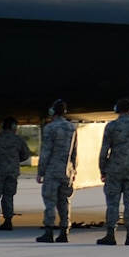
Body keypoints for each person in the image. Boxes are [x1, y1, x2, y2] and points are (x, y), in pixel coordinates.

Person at [96, 97, 129, 245]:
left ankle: (110, 235)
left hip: (114, 169)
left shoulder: (111, 126)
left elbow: (104, 150)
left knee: (112, 203)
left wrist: (102, 169)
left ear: (116, 109)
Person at [35, 99, 78, 244]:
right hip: (67, 171)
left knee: (50, 201)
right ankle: (64, 232)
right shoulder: (72, 128)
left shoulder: (50, 128)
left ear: (52, 111)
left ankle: (48, 231)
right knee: (65, 202)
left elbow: (46, 151)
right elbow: (75, 152)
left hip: (52, 170)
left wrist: (40, 171)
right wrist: (74, 169)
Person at [0, 116, 32, 231]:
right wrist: (14, 160)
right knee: (8, 195)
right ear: (14, 127)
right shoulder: (19, 140)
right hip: (12, 172)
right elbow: (26, 155)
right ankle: (8, 221)